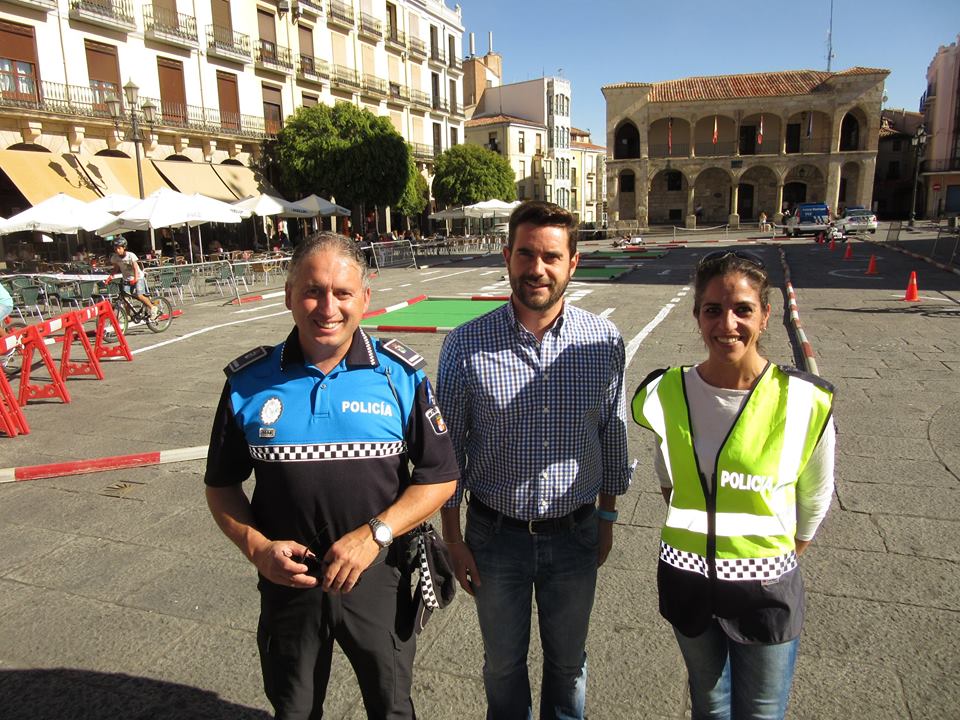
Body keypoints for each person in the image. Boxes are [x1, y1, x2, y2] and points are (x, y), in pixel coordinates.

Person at [204, 232, 459, 720]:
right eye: (312, 290)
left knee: (391, 707)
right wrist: (258, 550)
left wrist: (374, 535)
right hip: (288, 582)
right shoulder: (246, 382)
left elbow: (440, 476)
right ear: (287, 295)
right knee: (294, 710)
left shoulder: (400, 376)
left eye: (342, 293)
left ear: (364, 298)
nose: (327, 307)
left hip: (378, 574)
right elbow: (221, 485)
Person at [437, 200, 632, 720]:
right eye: (525, 253)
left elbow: (612, 433)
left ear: (573, 263)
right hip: (495, 537)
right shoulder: (465, 345)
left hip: (575, 534)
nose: (537, 268)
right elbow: (449, 452)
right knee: (502, 666)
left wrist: (607, 518)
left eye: (550, 256)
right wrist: (452, 539)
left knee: (569, 666)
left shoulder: (604, 341)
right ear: (507, 257)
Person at [631, 250, 836, 720]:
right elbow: (667, 469)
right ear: (697, 316)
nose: (728, 323)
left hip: (765, 589)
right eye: (713, 309)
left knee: (762, 711)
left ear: (765, 315)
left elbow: (815, 501)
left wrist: (768, 560)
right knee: (709, 701)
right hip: (686, 578)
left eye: (743, 308)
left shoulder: (804, 399)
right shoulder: (665, 390)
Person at [108, 237, 158, 319]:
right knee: (125, 298)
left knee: (139, 295)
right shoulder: (115, 258)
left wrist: (135, 279)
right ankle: (128, 316)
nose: (117, 250)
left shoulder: (130, 255)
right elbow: (116, 268)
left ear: (124, 248)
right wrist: (110, 277)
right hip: (126, 278)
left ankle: (152, 307)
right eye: (115, 248)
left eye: (119, 248)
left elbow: (135, 267)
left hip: (138, 277)